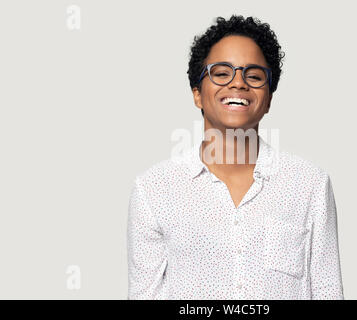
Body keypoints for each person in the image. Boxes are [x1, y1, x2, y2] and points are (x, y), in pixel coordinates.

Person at [127, 15, 344, 299]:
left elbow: (329, 292)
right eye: (221, 73)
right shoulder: (154, 190)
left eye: (253, 76)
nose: (238, 83)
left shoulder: (309, 185)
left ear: (268, 99)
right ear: (197, 94)